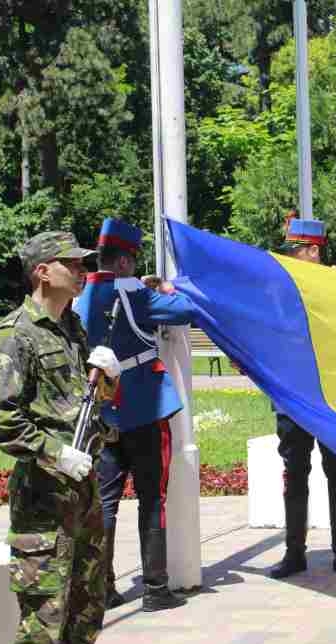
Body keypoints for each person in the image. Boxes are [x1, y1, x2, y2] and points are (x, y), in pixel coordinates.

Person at [0, 231, 121, 644]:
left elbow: (82, 404)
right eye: (72, 263)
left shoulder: (71, 328)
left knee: (86, 612)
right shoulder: (15, 335)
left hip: (83, 493)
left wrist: (108, 383)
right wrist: (55, 452)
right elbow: (2, 421)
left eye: (83, 263)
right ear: (42, 272)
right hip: (43, 499)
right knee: (43, 628)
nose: (83, 270)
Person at [73, 218, 197, 612]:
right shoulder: (134, 294)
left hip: (105, 411)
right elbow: (184, 308)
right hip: (143, 406)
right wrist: (163, 287)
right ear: (125, 262)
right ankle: (156, 589)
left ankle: (104, 588)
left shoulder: (82, 296)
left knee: (106, 502)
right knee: (151, 498)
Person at [269, 216, 336, 579]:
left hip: (330, 395)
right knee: (295, 472)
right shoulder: (281, 287)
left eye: (296, 250)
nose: (291, 256)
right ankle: (295, 552)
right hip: (292, 396)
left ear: (313, 250)